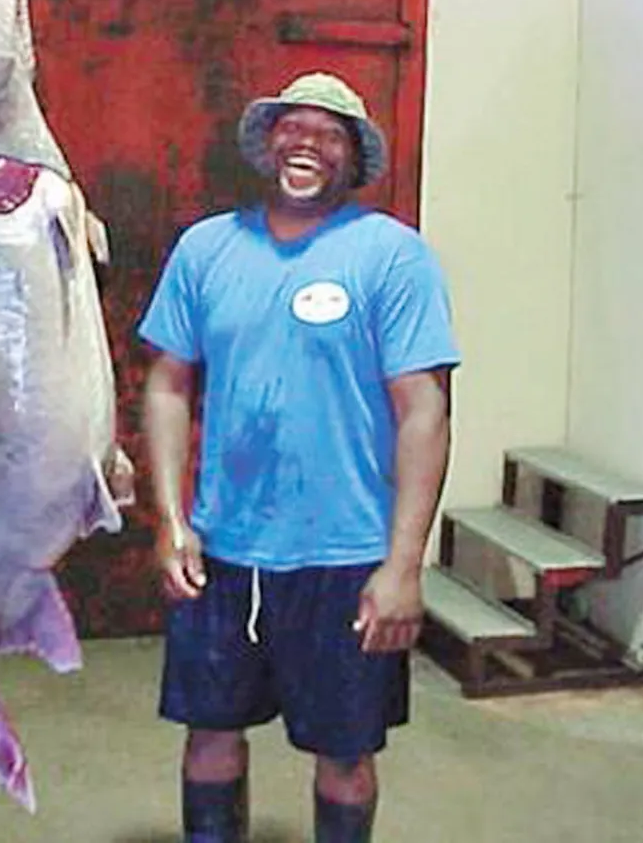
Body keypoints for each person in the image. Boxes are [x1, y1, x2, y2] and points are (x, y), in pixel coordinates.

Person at [137, 72, 460, 842]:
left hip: (347, 558)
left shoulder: (393, 258)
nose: (306, 142)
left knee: (344, 754)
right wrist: (172, 520)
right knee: (209, 734)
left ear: (353, 159)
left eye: (329, 132)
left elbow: (425, 414)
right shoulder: (206, 249)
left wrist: (404, 566)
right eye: (293, 127)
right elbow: (166, 387)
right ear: (267, 143)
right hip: (223, 552)